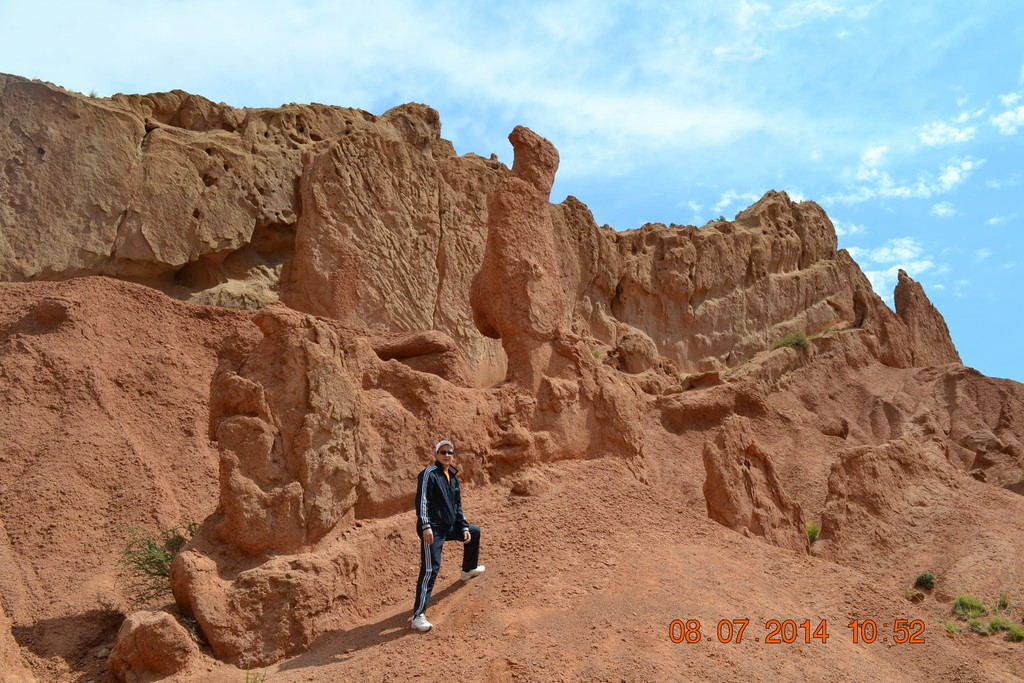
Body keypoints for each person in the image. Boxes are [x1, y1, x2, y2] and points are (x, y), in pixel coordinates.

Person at [411, 439, 485, 632]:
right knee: (431, 569)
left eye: (450, 452)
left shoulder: (452, 476)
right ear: (436, 454)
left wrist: (464, 526)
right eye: (443, 452)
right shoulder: (429, 474)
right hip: (433, 529)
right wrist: (425, 525)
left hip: (449, 525)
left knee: (474, 531)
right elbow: (422, 501)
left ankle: (468, 570)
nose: (446, 455)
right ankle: (418, 616)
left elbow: (457, 505)